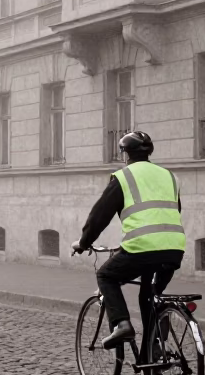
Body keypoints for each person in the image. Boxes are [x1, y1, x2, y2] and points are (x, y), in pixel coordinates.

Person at [73, 130, 185, 360]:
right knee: (149, 297)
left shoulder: (123, 177)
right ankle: (151, 355)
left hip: (141, 248)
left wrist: (83, 243)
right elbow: (174, 211)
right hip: (173, 248)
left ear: (125, 154)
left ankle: (122, 324)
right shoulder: (169, 176)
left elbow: (99, 217)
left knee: (106, 276)